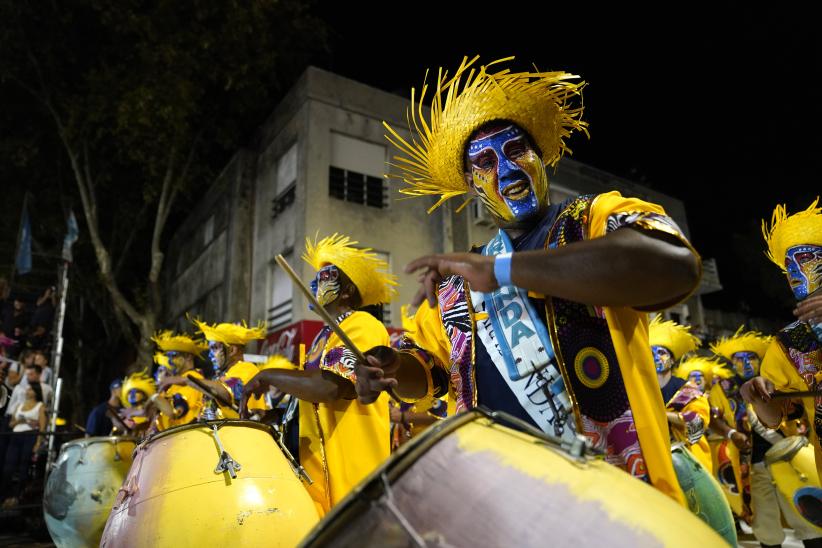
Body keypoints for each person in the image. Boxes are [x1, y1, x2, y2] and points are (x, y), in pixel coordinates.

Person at [356, 55, 701, 503]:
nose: (507, 170)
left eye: (516, 149)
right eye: (484, 161)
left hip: (618, 502)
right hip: (501, 503)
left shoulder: (592, 221)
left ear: (539, 156)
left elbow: (674, 265)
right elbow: (432, 373)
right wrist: (388, 370)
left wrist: (503, 271)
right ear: (470, 181)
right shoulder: (458, 283)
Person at [242, 234, 395, 514]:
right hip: (319, 485)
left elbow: (332, 387)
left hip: (350, 481)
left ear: (347, 289)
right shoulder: (324, 336)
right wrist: (277, 416)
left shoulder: (364, 324)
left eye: (323, 277)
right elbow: (313, 401)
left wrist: (268, 376)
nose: (313, 284)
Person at [742, 198, 822, 474]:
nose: (794, 274)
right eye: (789, 267)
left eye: (804, 260)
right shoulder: (790, 342)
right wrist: (756, 397)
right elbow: (778, 416)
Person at [182, 319, 267, 419]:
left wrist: (187, 380)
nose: (210, 355)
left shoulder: (246, 368)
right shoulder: (221, 375)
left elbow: (227, 392)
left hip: (244, 432)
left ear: (232, 350)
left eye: (214, 348)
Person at [0, 381, 46, 508]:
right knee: (8, 467)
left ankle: (17, 496)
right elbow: (10, 424)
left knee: (23, 466)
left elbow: (42, 427)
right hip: (16, 436)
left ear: (36, 392)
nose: (27, 391)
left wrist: (38, 443)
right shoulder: (19, 405)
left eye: (30, 389)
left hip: (30, 436)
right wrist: (19, 421)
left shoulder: (40, 406)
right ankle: (4, 495)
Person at [152, 331, 207, 431]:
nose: (169, 361)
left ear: (189, 357)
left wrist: (153, 397)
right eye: (168, 356)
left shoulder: (193, 378)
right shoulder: (173, 383)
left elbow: (175, 412)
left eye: (173, 356)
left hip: (184, 439)